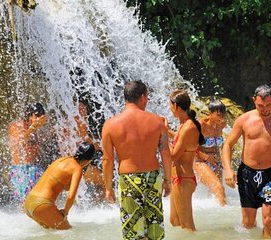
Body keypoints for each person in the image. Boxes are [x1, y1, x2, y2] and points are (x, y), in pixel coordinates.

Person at [222, 84, 271, 237]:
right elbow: (228, 145)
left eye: (268, 105)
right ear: (253, 101)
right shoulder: (243, 120)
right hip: (246, 175)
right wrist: (228, 169)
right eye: (260, 105)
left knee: (269, 221)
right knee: (248, 223)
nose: (264, 109)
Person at [101, 81, 172, 240]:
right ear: (141, 97)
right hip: (152, 178)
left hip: (129, 180)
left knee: (132, 232)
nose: (147, 100)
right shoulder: (157, 122)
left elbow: (107, 159)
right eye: (147, 97)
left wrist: (108, 188)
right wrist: (168, 181)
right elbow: (165, 153)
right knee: (155, 228)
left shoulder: (111, 124)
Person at [24, 142, 95, 229]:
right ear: (89, 160)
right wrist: (65, 212)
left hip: (29, 202)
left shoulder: (62, 160)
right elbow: (71, 196)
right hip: (42, 204)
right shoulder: (77, 169)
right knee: (68, 232)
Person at [166, 89, 205, 231]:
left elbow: (173, 155)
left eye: (170, 106)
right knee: (175, 221)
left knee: (187, 226)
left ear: (175, 106)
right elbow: (179, 141)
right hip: (178, 177)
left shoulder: (189, 127)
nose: (170, 109)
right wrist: (167, 131)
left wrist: (163, 139)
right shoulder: (183, 125)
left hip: (184, 178)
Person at [8, 102, 48, 204]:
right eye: (37, 115)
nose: (39, 118)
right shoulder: (17, 125)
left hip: (34, 168)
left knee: (41, 197)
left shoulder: (35, 128)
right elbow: (19, 142)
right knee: (25, 201)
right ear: (29, 115)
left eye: (41, 115)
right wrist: (33, 127)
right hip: (21, 170)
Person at [194, 99, 227, 206]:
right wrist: (206, 157)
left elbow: (217, 146)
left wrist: (218, 158)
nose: (221, 118)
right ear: (210, 113)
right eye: (218, 115)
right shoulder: (200, 125)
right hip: (199, 162)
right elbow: (189, 147)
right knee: (219, 189)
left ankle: (215, 215)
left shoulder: (222, 124)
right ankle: (225, 217)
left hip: (215, 162)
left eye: (222, 115)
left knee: (217, 194)